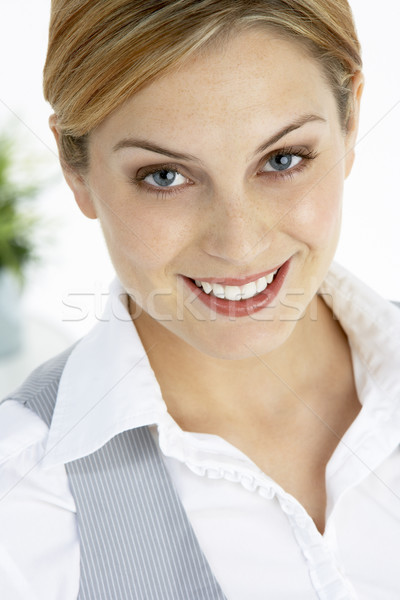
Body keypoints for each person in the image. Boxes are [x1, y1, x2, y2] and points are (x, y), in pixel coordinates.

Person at [1, 0, 400, 598]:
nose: (238, 245)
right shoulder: (23, 501)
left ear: (350, 122)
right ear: (74, 167)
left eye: (282, 160)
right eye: (165, 176)